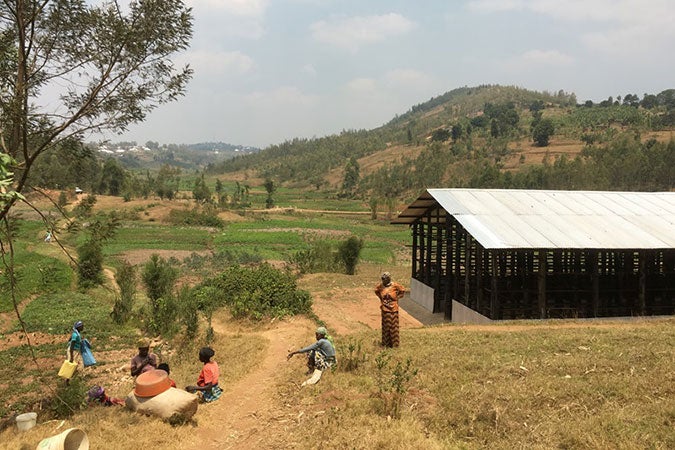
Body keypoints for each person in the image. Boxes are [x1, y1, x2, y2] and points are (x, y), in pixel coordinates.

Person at [374, 272, 406, 348]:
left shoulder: (395, 285)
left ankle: (394, 344)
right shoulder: (381, 286)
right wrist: (381, 299)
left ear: (388, 279)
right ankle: (386, 344)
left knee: (393, 327)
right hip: (385, 309)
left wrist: (397, 298)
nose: (383, 281)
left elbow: (402, 290)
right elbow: (376, 291)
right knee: (385, 327)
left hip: (393, 309)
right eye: (383, 279)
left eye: (385, 279)